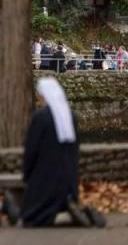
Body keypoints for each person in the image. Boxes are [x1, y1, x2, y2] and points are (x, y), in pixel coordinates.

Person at [22, 77, 106, 228]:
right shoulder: (70, 116)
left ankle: (59, 217)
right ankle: (68, 212)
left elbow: (31, 150)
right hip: (68, 181)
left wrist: (27, 173)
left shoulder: (40, 118)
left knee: (30, 216)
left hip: (45, 180)